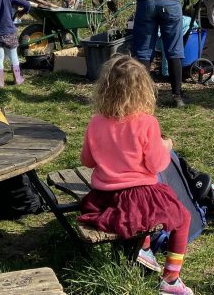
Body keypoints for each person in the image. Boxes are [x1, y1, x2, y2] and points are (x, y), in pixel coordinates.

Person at [77, 56, 194, 295]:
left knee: (142, 216)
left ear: (105, 89)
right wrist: (166, 146)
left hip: (104, 197)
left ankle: (145, 248)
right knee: (182, 218)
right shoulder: (147, 123)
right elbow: (156, 165)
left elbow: (87, 161)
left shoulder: (96, 122)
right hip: (139, 194)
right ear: (143, 90)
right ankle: (170, 280)